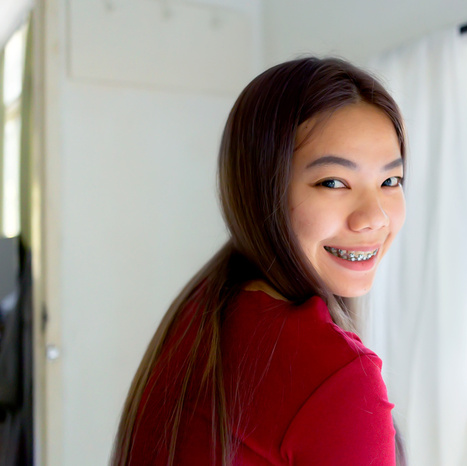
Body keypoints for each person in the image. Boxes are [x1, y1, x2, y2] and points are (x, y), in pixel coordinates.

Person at [111, 57, 408, 465]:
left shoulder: (206, 310)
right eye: (333, 182)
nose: (374, 217)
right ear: (263, 189)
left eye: (390, 181)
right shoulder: (336, 375)